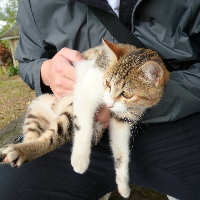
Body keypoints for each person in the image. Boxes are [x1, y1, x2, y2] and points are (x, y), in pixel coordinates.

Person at [0, 0, 200, 199]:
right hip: (78, 119)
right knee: (11, 190)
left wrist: (142, 100)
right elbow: (27, 62)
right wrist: (44, 71)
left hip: (177, 113)